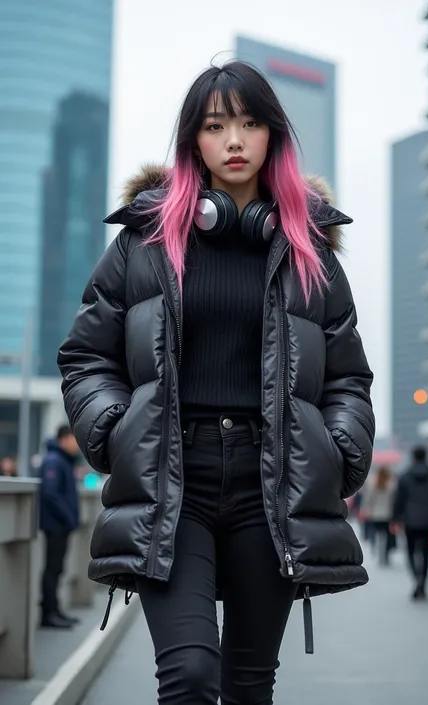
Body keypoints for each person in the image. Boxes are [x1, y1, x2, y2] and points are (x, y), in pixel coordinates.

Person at [57, 60, 375, 704]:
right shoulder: (142, 244)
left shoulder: (310, 252)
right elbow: (86, 357)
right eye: (216, 125)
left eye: (251, 123)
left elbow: (348, 377)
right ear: (192, 142)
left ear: (273, 139)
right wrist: (117, 432)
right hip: (174, 481)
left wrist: (339, 455)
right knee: (190, 673)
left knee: (250, 685)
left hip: (273, 483)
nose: (234, 140)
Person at [39, 425, 80, 628]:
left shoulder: (62, 460)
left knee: (57, 569)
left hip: (60, 525)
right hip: (55, 525)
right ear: (64, 439)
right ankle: (48, 613)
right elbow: (50, 493)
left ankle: (55, 610)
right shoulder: (54, 461)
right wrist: (68, 517)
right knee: (52, 569)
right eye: (75, 439)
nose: (78, 445)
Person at [392, 446, 428, 600]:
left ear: (413, 457)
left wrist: (395, 518)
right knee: (426, 553)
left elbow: (399, 500)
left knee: (410, 552)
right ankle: (423, 582)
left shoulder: (405, 476)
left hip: (409, 519)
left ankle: (416, 577)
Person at [360, 465, 397, 566]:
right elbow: (394, 501)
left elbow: (368, 499)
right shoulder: (391, 485)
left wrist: (366, 510)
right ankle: (386, 555)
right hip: (388, 515)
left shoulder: (373, 485)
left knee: (377, 533)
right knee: (388, 535)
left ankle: (377, 549)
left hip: (375, 514)